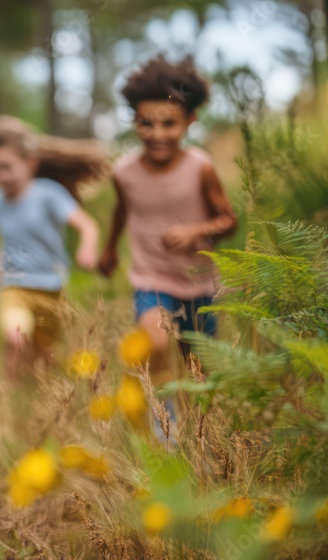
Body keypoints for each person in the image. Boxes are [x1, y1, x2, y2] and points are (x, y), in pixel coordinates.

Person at [98, 55, 237, 387]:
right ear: (134, 121)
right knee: (155, 344)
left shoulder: (200, 167)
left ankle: (198, 428)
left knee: (198, 367)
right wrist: (110, 250)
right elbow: (122, 210)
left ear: (189, 121)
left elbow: (228, 220)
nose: (157, 134)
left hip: (199, 282)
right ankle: (165, 428)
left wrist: (197, 231)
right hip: (151, 278)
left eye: (169, 124)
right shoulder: (124, 173)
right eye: (147, 123)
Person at [0, 115, 104, 380]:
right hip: (14, 286)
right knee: (15, 339)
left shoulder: (48, 194)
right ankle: (9, 401)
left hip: (51, 286)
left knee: (45, 356)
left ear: (30, 163)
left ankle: (38, 397)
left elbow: (87, 225)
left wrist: (88, 246)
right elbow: (8, 239)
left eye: (7, 167)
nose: (1, 176)